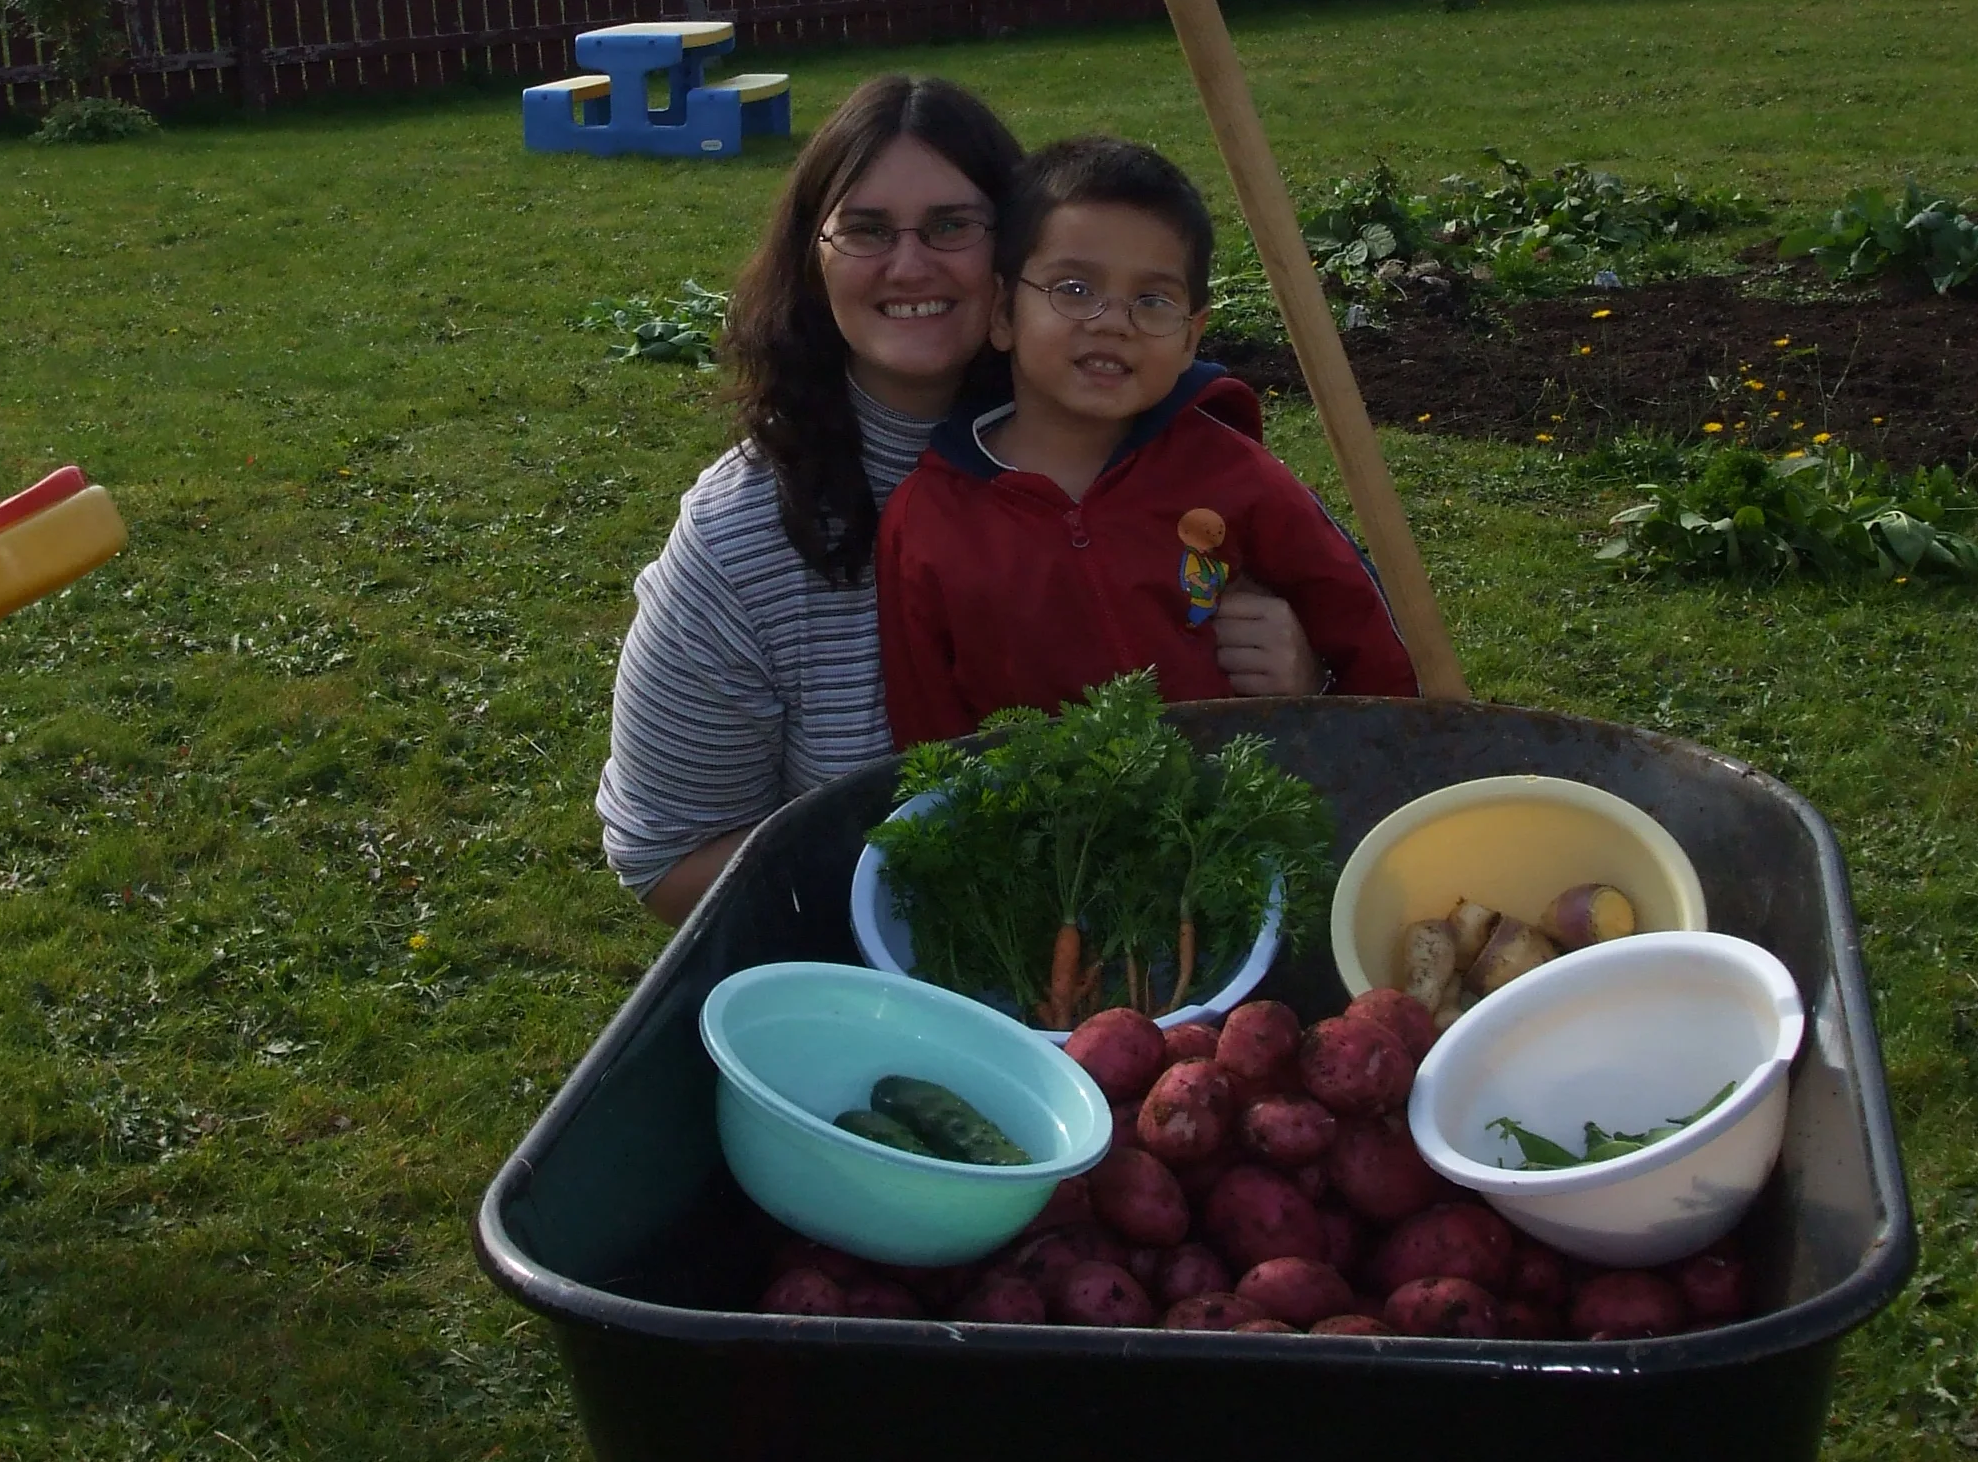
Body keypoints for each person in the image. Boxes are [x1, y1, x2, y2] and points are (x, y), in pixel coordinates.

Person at [598, 73, 1026, 921]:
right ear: (812, 256)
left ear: (1017, 248)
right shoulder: (739, 540)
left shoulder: (1130, 454)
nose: (911, 264)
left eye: (952, 225)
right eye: (866, 230)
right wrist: (921, 870)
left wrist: (1295, 663)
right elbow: (665, 859)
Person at [878, 134, 1417, 744]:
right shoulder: (926, 521)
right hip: (1045, 832)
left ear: (1190, 338)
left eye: (1152, 300)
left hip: (1238, 818)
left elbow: (1377, 647)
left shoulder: (1235, 475)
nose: (1113, 322)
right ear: (1003, 313)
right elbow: (926, 739)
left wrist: (1319, 693)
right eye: (1074, 289)